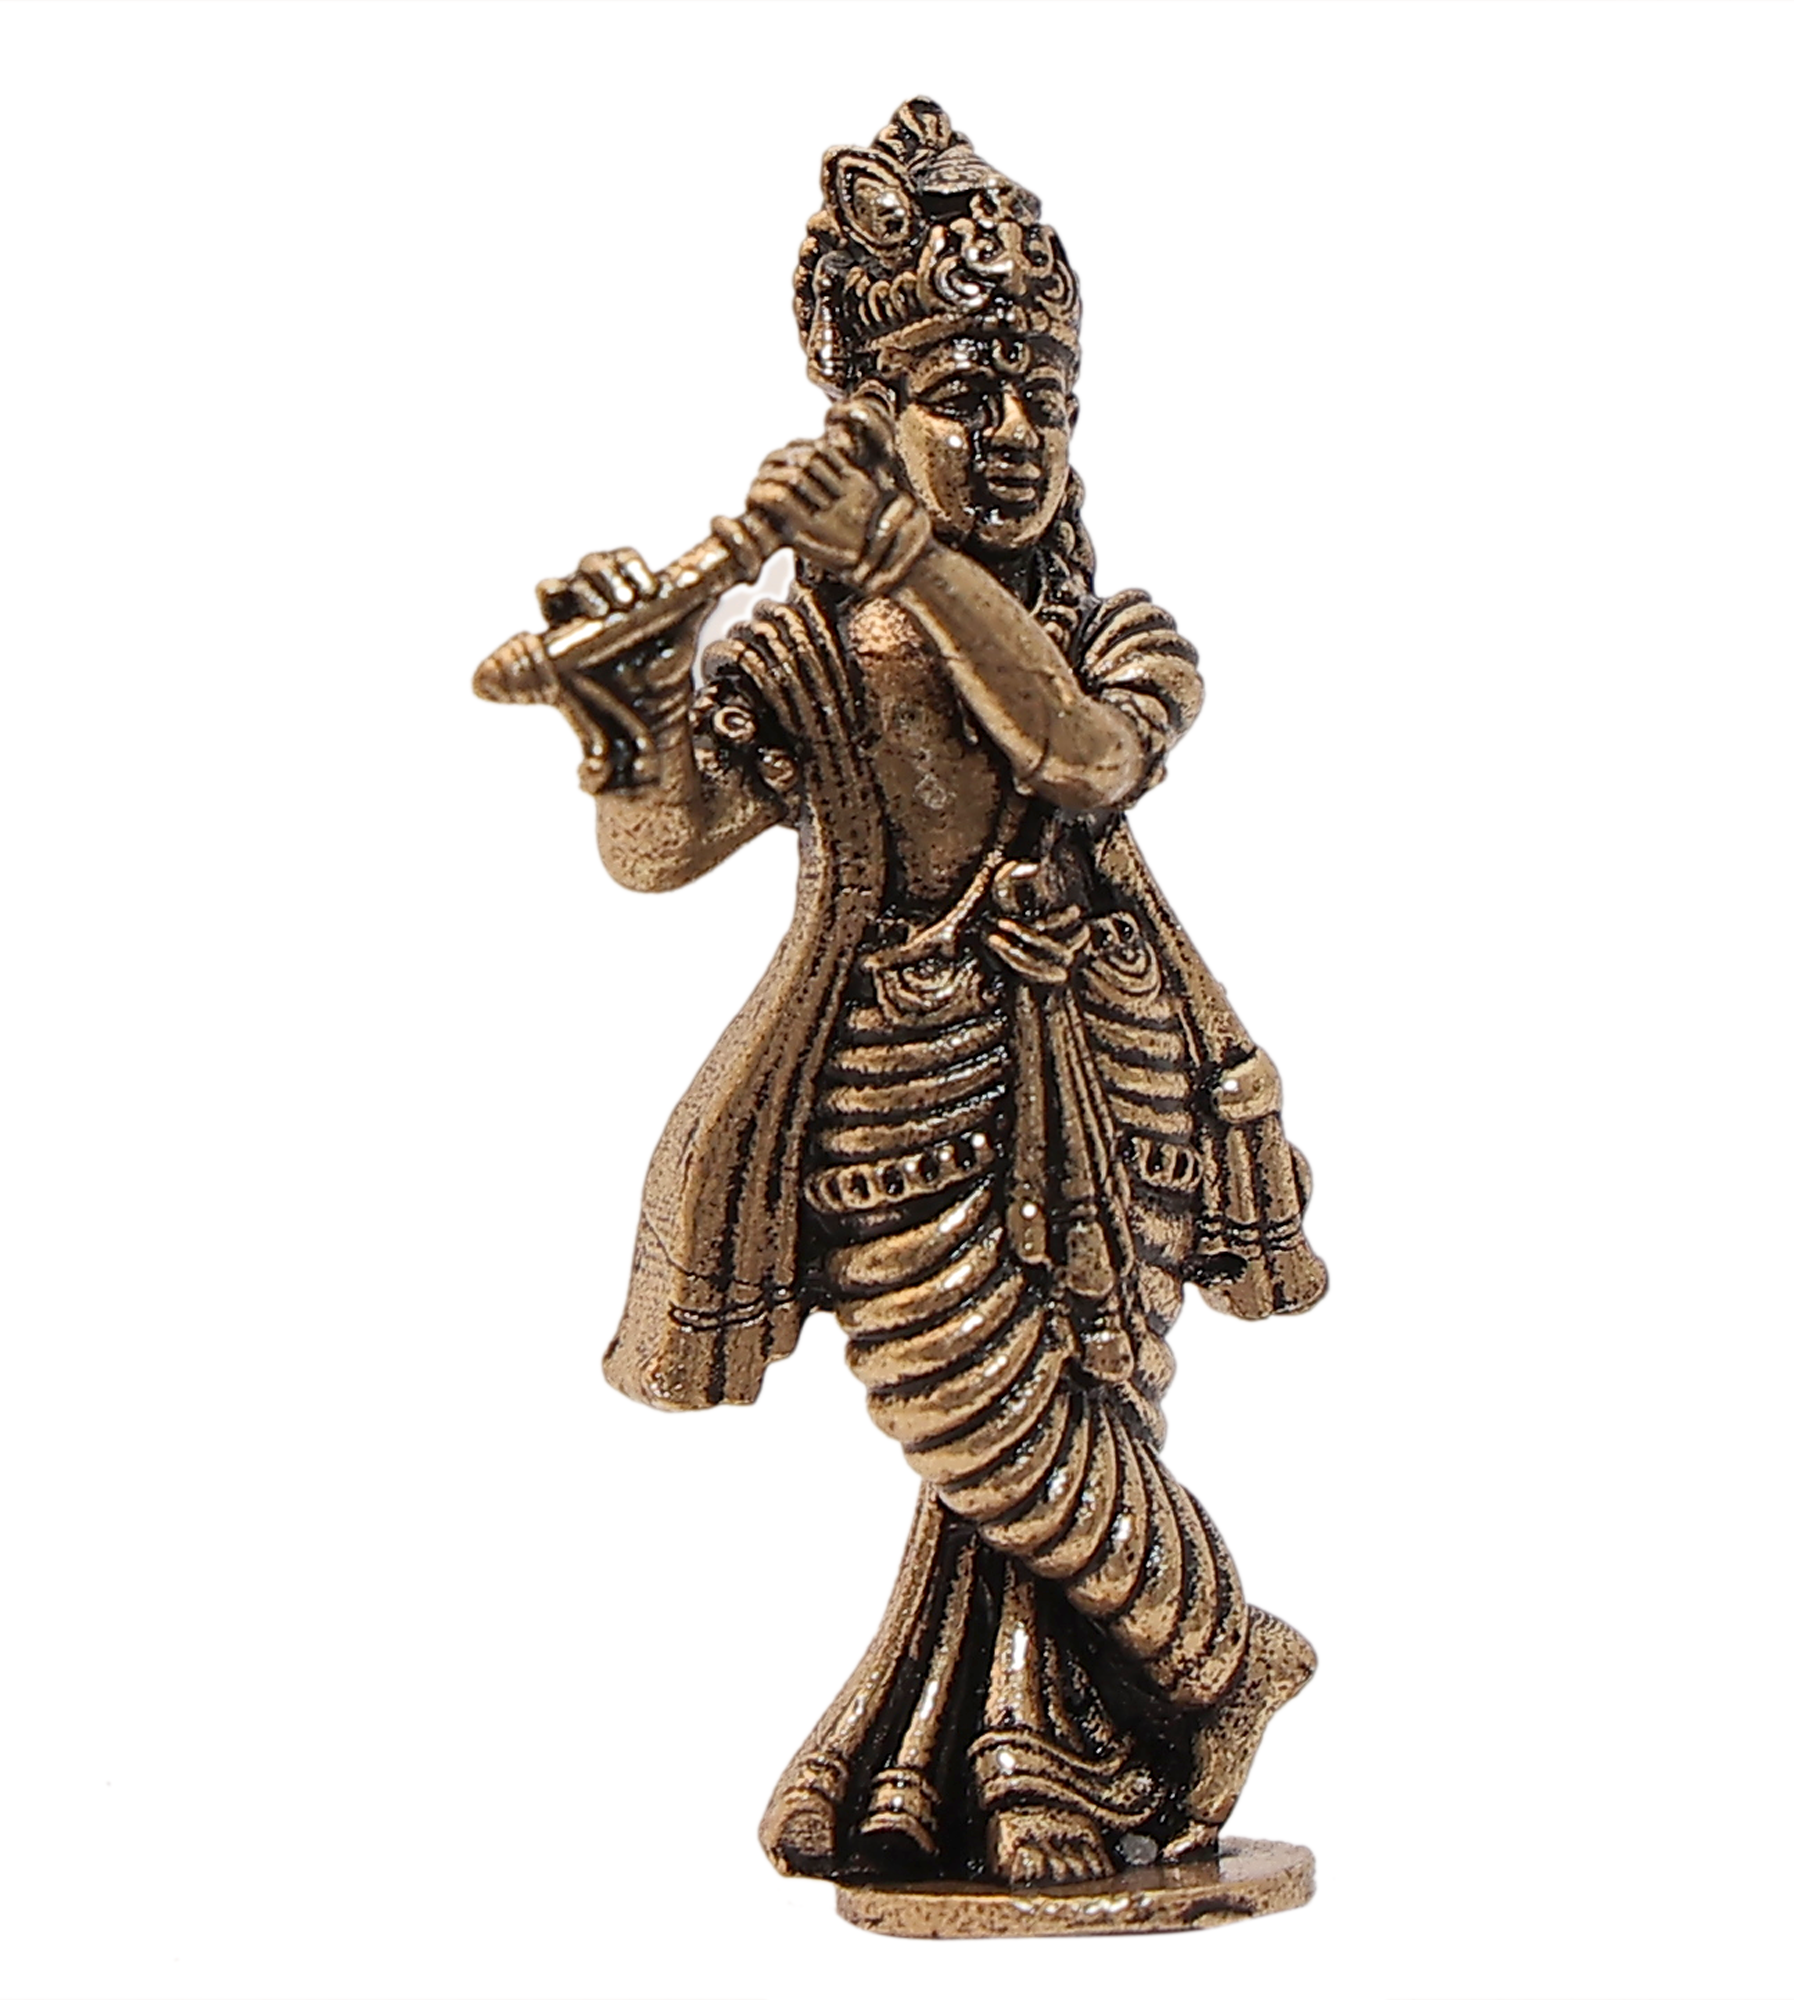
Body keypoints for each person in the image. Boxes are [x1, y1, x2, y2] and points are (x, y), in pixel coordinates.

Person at [533, 99, 1327, 1887]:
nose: (1018, 434)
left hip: (1107, 1064)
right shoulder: (804, 646)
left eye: (1045, 396)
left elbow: (1081, 753)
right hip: (889, 1075)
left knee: (1083, 1408)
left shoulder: (1118, 632)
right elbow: (662, 851)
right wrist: (633, 708)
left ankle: (1022, 1753)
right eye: (969, 395)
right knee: (961, 1409)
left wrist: (905, 557)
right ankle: (1219, 1656)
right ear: (867, 420)